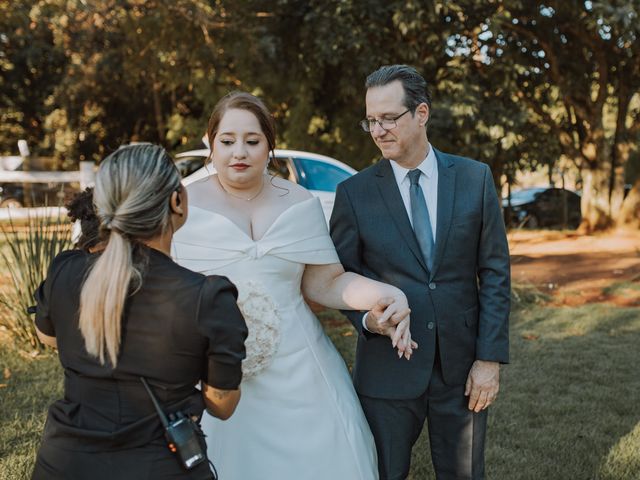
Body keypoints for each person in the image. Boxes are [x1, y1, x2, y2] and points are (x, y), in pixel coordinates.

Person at [172, 91, 415, 480]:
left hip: (298, 365)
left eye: (253, 141)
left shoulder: (299, 202)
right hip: (212, 366)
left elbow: (326, 282)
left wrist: (386, 295)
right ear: (210, 141)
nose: (240, 152)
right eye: (227, 140)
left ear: (270, 144)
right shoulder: (180, 205)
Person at [330, 65, 511, 480]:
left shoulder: (474, 178)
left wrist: (489, 359)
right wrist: (367, 320)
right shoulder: (353, 194)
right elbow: (338, 279)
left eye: (389, 118)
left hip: (461, 368)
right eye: (371, 121)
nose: (378, 130)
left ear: (422, 113)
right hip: (386, 371)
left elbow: (496, 273)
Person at [31, 144, 248, 480]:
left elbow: (46, 336)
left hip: (63, 464)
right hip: (158, 467)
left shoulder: (65, 270)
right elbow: (222, 406)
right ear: (177, 201)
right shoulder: (208, 297)